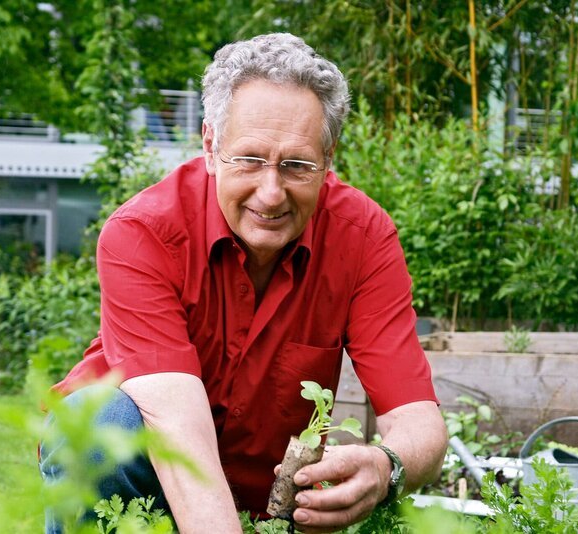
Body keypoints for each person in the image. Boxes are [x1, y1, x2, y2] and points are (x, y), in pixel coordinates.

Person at [41, 32, 447, 533]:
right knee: (100, 423)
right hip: (143, 474)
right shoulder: (145, 233)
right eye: (249, 160)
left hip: (268, 508)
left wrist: (387, 466)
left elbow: (420, 423)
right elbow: (177, 435)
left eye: (296, 165)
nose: (271, 193)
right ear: (211, 147)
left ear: (329, 159)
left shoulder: (363, 238)